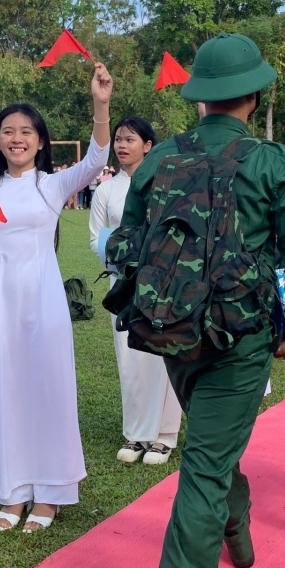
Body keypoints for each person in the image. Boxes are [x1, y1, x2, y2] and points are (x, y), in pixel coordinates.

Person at [117, 33, 285, 568]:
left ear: (199, 96)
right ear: (255, 93)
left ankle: (235, 516)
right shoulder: (273, 162)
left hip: (171, 331)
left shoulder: (158, 161)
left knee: (210, 444)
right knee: (205, 463)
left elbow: (125, 247)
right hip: (243, 338)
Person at [0, 64, 113, 534]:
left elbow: (95, 160)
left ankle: (50, 494)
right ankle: (14, 492)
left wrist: (100, 105)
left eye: (26, 132)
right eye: (7, 132)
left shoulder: (51, 185)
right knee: (7, 394)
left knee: (49, 391)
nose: (16, 138)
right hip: (0, 307)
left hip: (45, 303)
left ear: (40, 141)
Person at [89, 115, 182, 465]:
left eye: (130, 139)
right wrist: (121, 261)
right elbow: (96, 237)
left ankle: (165, 434)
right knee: (130, 359)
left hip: (162, 283)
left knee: (163, 355)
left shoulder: (165, 183)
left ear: (148, 146)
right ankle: (136, 434)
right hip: (124, 283)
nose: (122, 146)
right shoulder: (106, 190)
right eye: (118, 139)